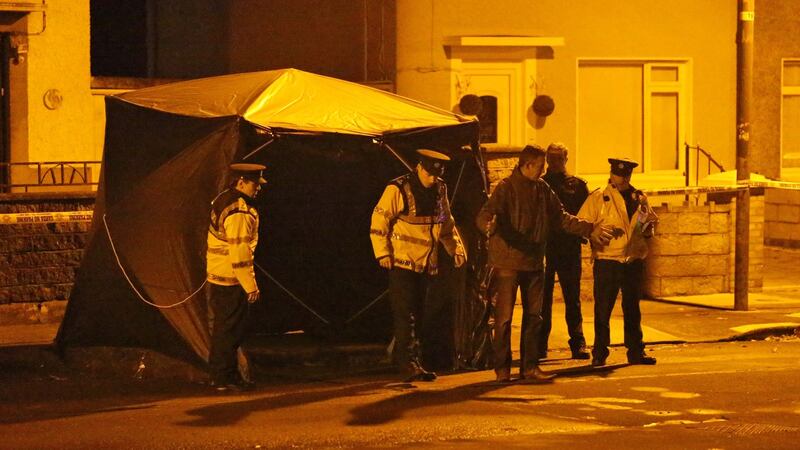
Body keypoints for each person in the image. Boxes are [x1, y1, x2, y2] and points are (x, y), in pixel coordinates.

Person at [476, 144, 614, 383]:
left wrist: (590, 228)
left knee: (534, 316)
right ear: (527, 165)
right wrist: (487, 224)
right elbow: (486, 214)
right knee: (505, 318)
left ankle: (529, 367)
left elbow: (561, 217)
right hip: (508, 262)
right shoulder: (505, 189)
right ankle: (502, 368)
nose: (544, 169)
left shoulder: (542, 189)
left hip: (533, 261)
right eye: (540, 165)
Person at [370, 149, 467, 382]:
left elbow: (445, 223)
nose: (433, 179)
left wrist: (455, 249)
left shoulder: (439, 189)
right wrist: (382, 253)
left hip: (426, 263)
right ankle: (409, 364)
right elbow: (379, 219)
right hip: (402, 261)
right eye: (430, 174)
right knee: (406, 315)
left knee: (420, 313)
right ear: (420, 168)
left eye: (437, 175)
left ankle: (413, 360)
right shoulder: (398, 188)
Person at [577, 157, 658, 367]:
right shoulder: (599, 197)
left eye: (624, 175)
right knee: (603, 309)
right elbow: (581, 225)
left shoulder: (639, 197)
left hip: (632, 259)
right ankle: (600, 352)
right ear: (612, 174)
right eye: (618, 174)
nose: (620, 178)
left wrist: (648, 229)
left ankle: (635, 351)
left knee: (632, 308)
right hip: (608, 259)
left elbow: (647, 223)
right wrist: (593, 235)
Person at [206, 162, 267, 391]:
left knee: (225, 327)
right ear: (241, 181)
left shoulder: (223, 198)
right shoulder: (239, 211)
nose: (258, 188)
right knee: (229, 329)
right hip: (231, 278)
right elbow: (240, 250)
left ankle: (225, 375)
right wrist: (250, 286)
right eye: (254, 184)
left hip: (218, 273)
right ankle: (223, 378)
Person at [539, 143, 591, 360]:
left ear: (566, 159)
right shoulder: (540, 184)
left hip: (569, 247)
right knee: (542, 299)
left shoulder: (577, 186)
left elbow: (586, 215)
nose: (554, 162)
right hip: (545, 245)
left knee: (572, 297)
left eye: (559, 158)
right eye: (551, 158)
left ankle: (577, 342)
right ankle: (540, 344)